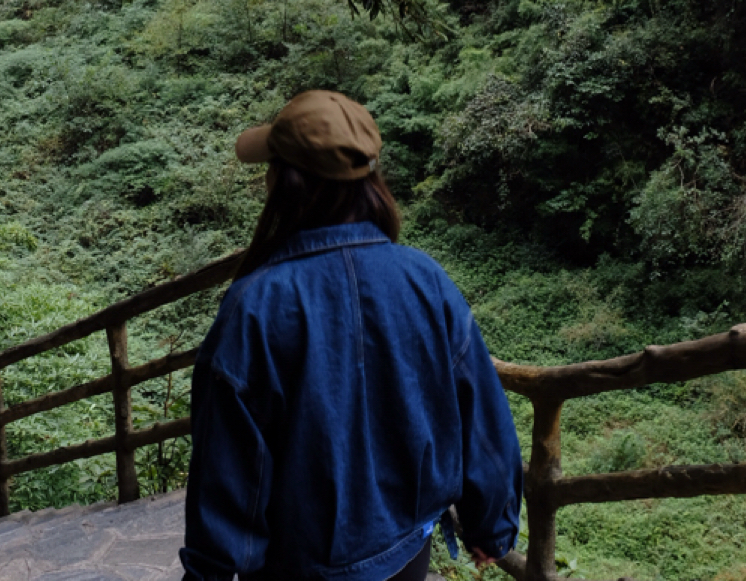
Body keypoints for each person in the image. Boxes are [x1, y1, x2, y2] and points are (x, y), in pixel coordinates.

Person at [180, 90, 522, 581]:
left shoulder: (255, 307)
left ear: (284, 181)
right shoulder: (425, 279)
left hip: (299, 566)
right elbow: (481, 413)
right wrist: (492, 524)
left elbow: (229, 476)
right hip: (407, 554)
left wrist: (210, 572)